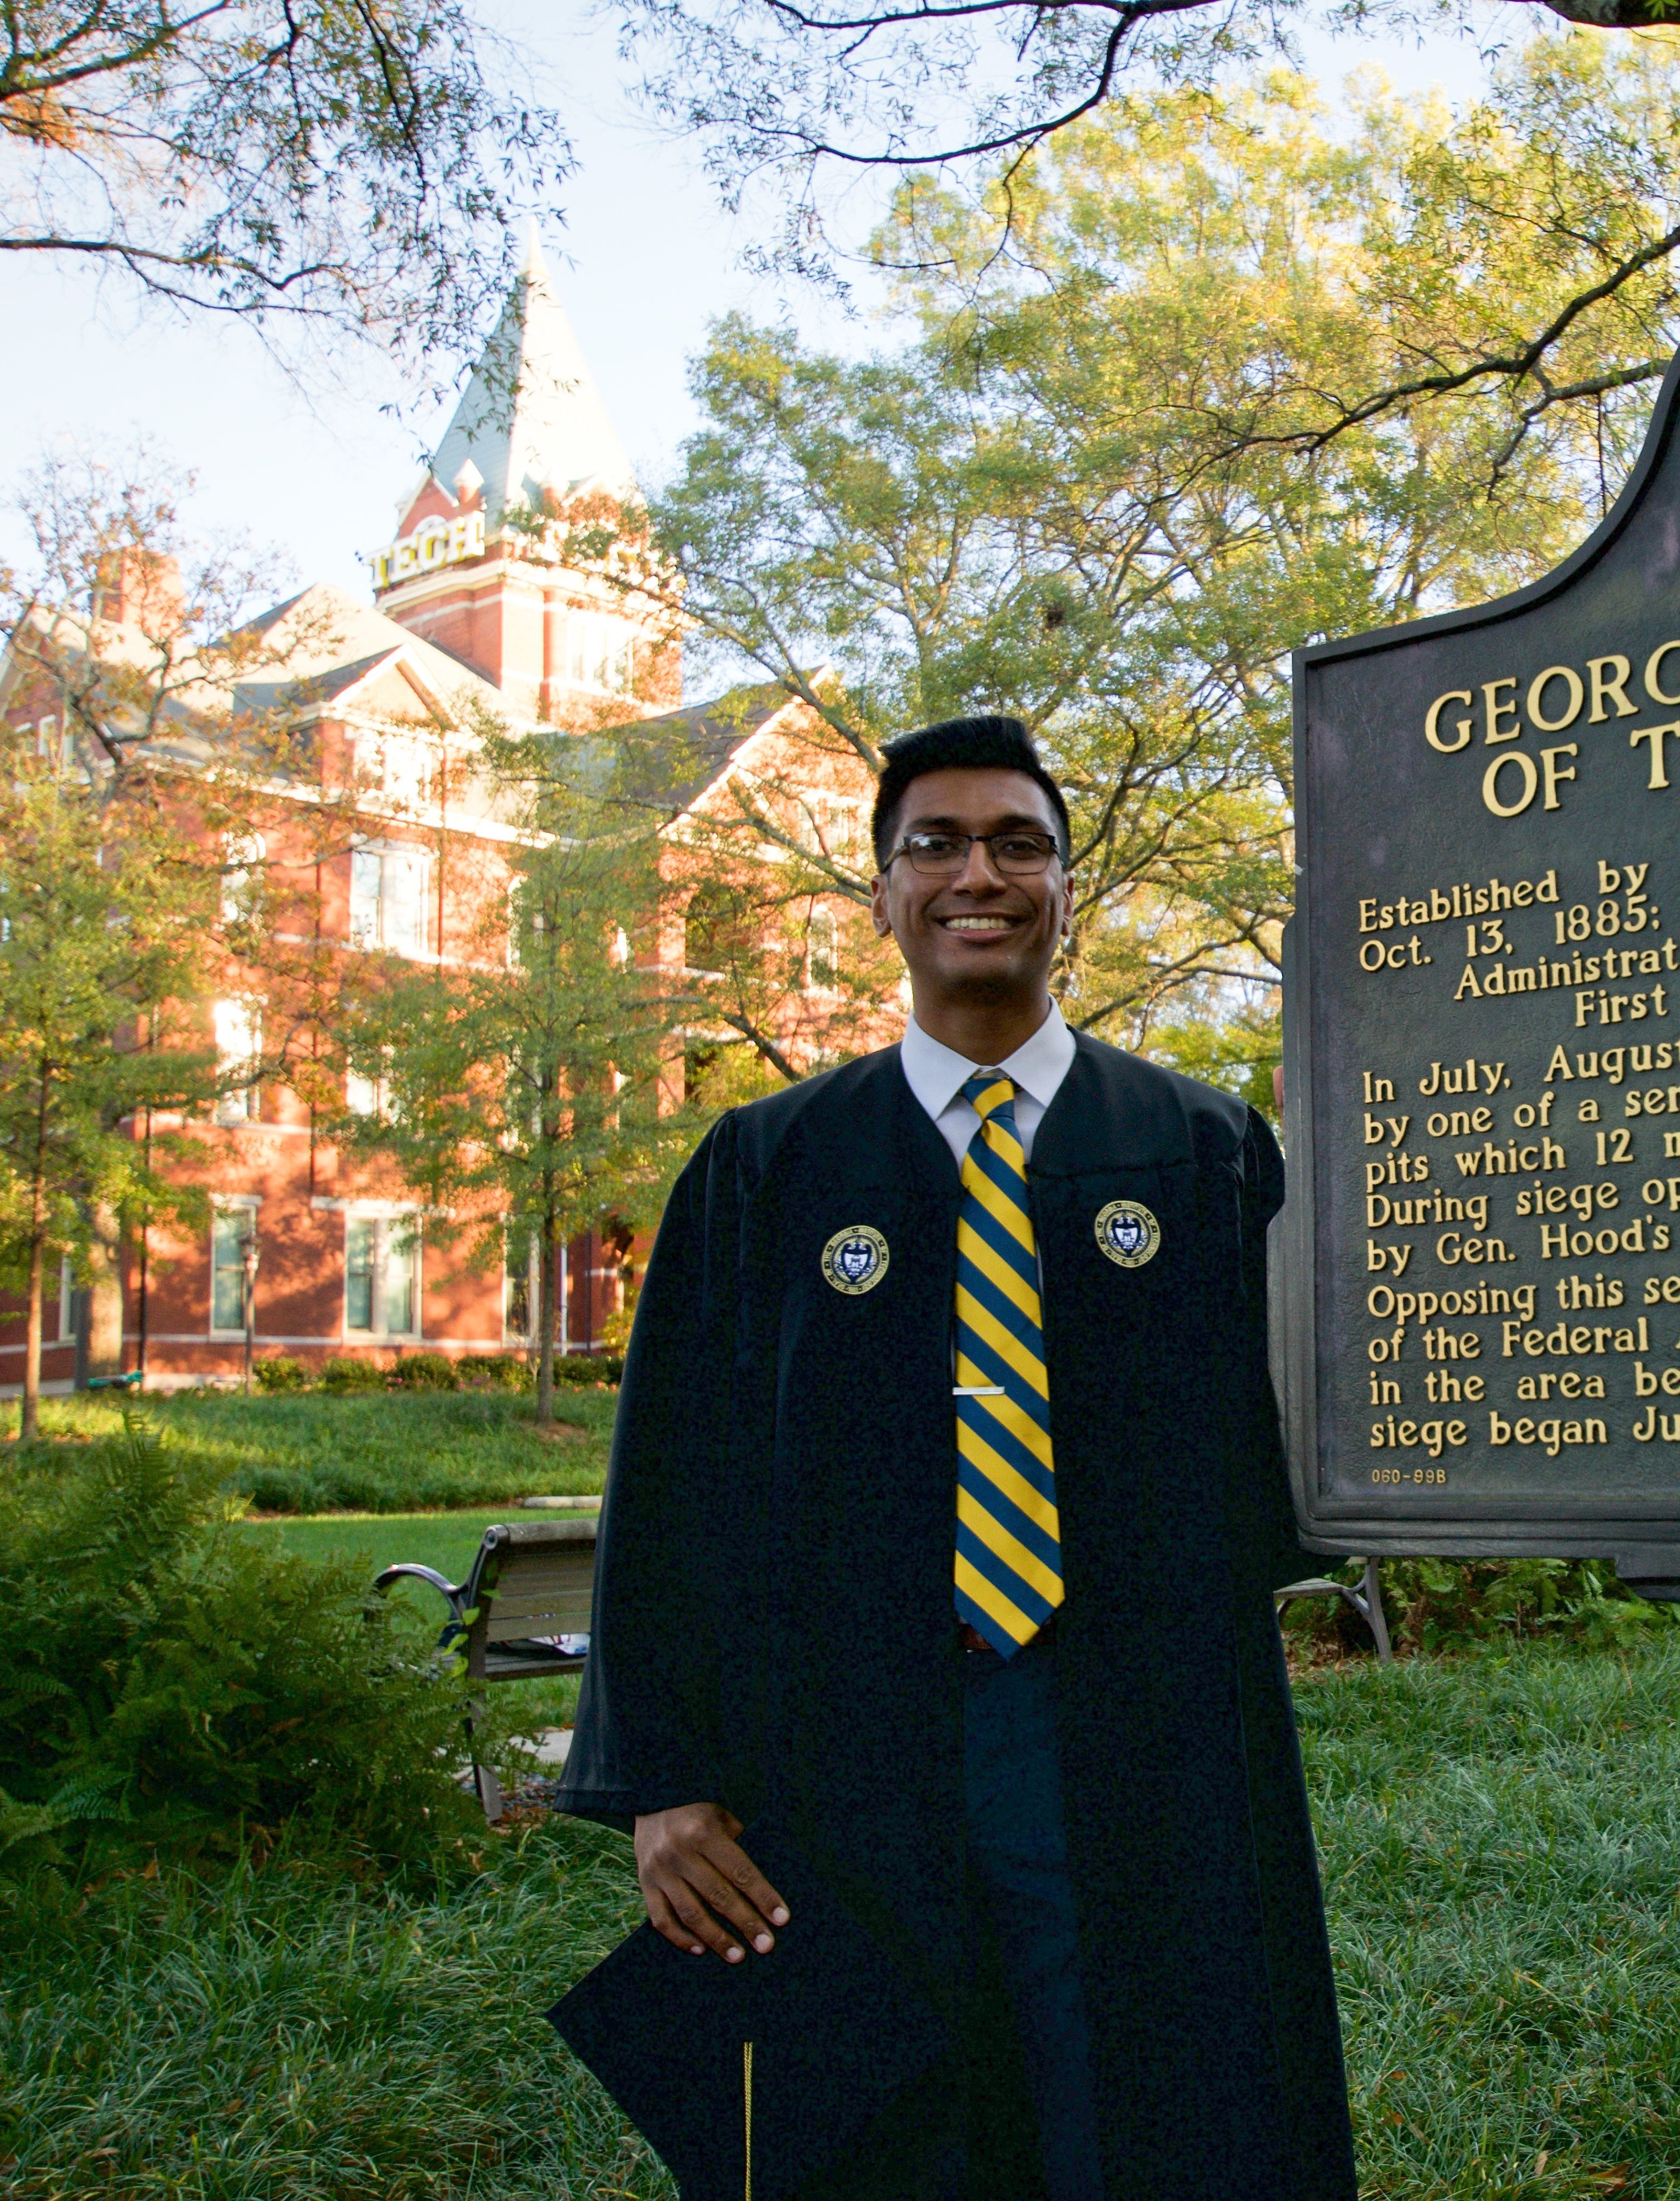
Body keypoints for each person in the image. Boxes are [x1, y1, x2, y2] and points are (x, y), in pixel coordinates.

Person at [553, 714, 1358, 2199]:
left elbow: (1300, 1470)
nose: (977, 874)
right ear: (881, 893)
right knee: (895, 2133)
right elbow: (672, 1494)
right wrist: (666, 1781)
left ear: (1066, 890)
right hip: (843, 1751)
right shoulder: (769, 1167)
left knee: (1157, 2110)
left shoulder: (1204, 1151)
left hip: (1151, 1740)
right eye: (935, 845)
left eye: (1018, 844)